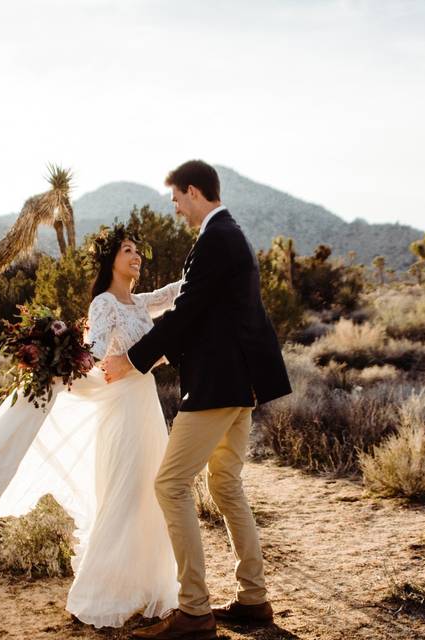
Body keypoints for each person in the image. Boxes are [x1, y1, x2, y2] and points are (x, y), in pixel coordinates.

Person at [0, 227, 182, 628]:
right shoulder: (104, 304)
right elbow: (97, 356)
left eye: (139, 250)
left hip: (147, 408)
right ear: (110, 261)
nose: (136, 256)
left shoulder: (138, 303)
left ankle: (149, 588)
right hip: (122, 413)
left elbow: (174, 292)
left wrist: (208, 264)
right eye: (127, 250)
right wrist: (60, 363)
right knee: (124, 494)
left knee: (148, 496)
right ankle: (104, 594)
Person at [103, 160, 292, 640]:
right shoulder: (228, 235)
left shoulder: (217, 238)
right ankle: (253, 599)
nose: (174, 208)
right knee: (225, 484)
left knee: (169, 485)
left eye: (176, 198)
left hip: (217, 384)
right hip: (238, 384)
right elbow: (203, 310)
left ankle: (193, 611)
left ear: (192, 191)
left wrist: (132, 360)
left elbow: (187, 313)